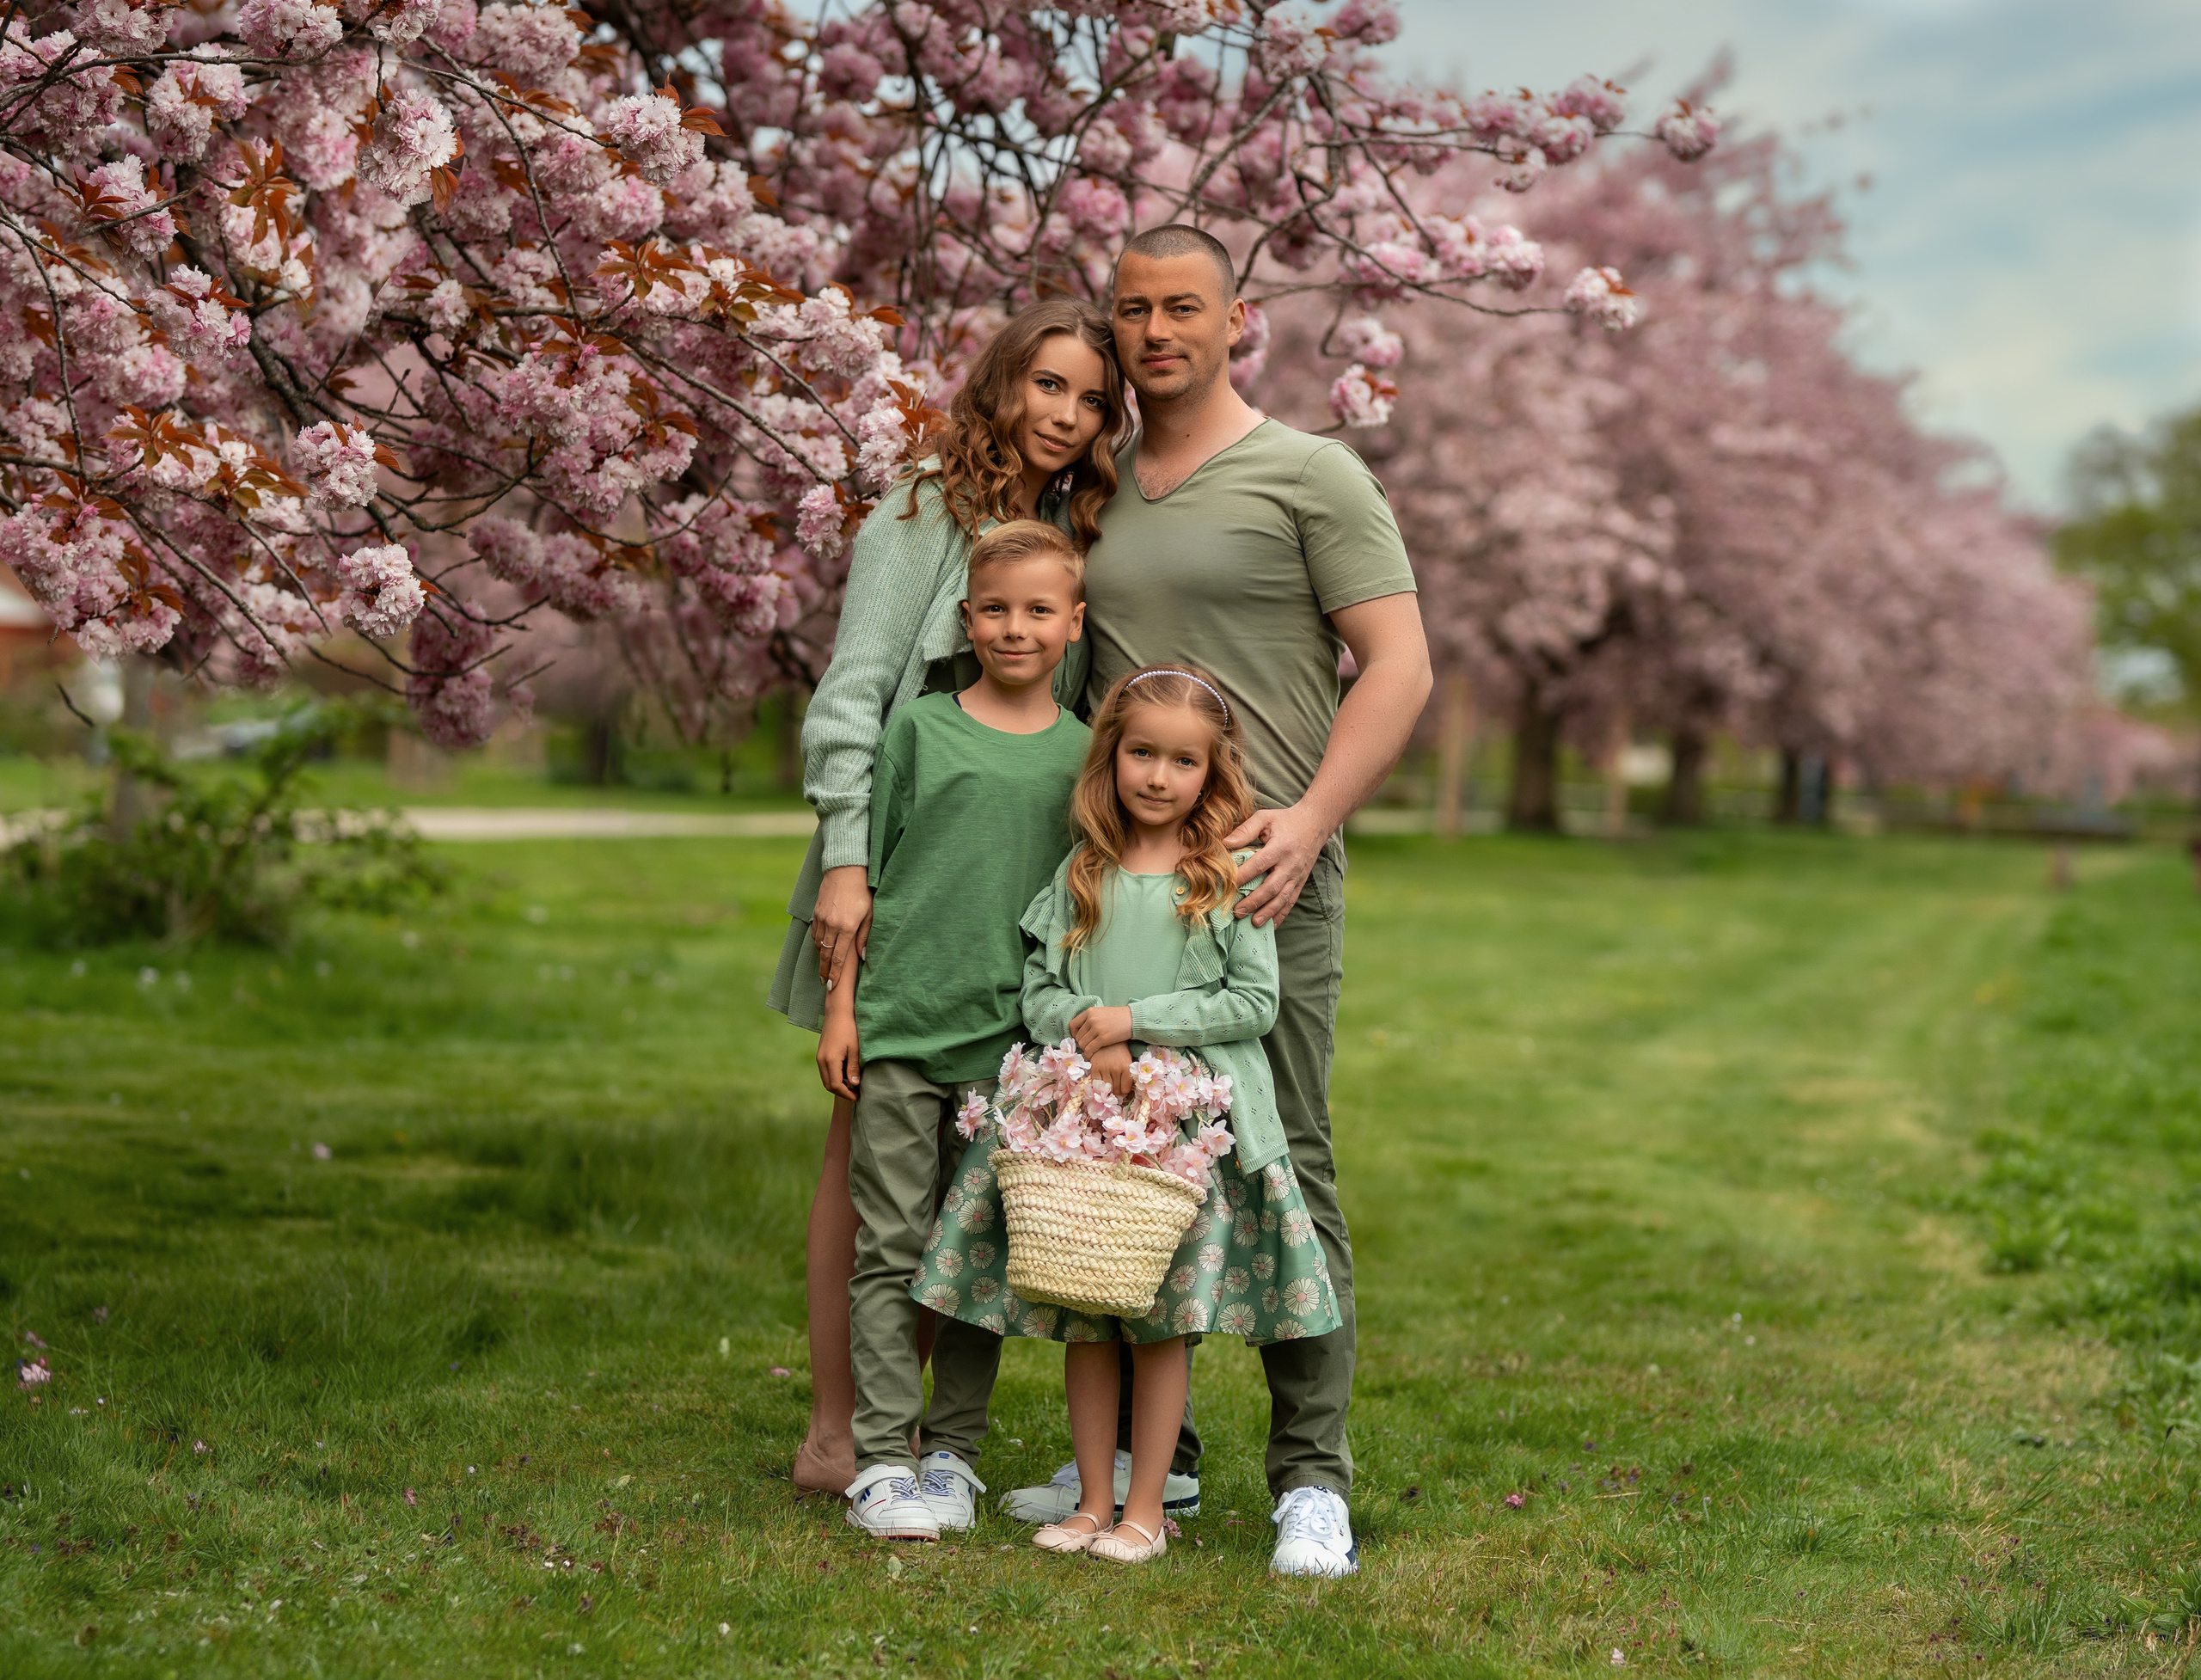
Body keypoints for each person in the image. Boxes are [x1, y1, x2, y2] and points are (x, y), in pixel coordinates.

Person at [1000, 226, 1432, 1577]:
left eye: (1183, 306)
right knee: (1123, 1157)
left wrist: (1308, 819)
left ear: (1239, 319)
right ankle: (1150, 1466)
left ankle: (1312, 1477)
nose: (1154, 329)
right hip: (1126, 882)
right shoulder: (1102, 487)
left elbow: (1401, 665)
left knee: (1281, 1156)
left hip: (1263, 878)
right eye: (1133, 310)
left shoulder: (1313, 472)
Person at [764, 298, 1125, 1502]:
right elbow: (853, 695)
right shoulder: (927, 508)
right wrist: (850, 864)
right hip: (896, 870)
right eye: (1049, 386)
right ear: (1004, 381)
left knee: (969, 1170)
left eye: (1089, 398)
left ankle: (911, 1429)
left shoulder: (1071, 532)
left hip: (1009, 890)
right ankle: (840, 1429)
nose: (1066, 416)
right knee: (865, 1145)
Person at [914, 665, 1340, 1564]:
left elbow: (1251, 1002)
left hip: (1180, 1134)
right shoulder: (1083, 872)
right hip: (1082, 1123)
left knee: (1157, 1319)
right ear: (1109, 759)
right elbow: (1036, 988)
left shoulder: (1218, 877)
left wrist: (1136, 1024)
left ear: (1211, 772)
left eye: (1181, 760)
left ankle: (1146, 1508)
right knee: (1086, 1305)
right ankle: (1091, 1498)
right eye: (1140, 753)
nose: (1156, 776)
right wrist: (1085, 1033)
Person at [825, 518, 1095, 1540]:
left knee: (978, 1257)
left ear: (1074, 623)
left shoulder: (1084, 758)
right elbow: (864, 880)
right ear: (964, 617)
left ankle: (952, 1457)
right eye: (995, 608)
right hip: (899, 1031)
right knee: (891, 1248)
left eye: (1037, 610)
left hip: (1011, 1055)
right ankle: (882, 1462)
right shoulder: (920, 729)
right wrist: (844, 1008)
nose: (1013, 627)